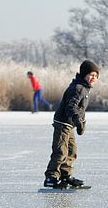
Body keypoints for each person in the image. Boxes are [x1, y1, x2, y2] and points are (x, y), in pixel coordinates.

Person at [43, 60, 100, 189]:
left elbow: (81, 109)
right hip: (63, 123)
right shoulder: (78, 88)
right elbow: (71, 107)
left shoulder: (85, 88)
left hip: (69, 124)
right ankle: (51, 176)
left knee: (72, 151)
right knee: (60, 151)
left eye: (96, 76)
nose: (93, 78)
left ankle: (65, 175)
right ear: (84, 74)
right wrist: (77, 120)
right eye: (91, 75)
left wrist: (82, 123)